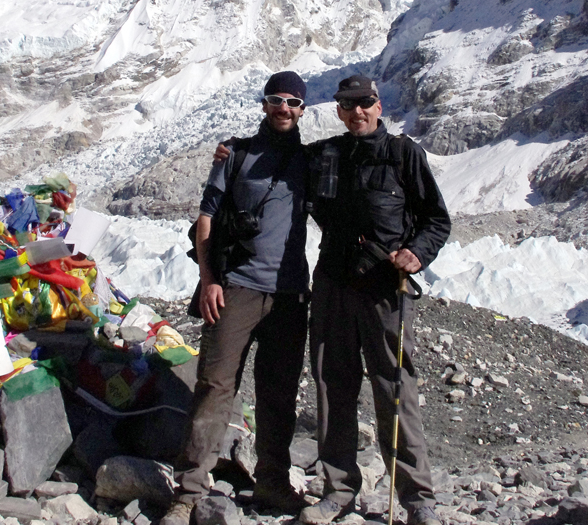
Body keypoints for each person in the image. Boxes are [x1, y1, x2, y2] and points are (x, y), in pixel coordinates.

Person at [160, 71, 312, 525]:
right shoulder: (235, 153)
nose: (283, 108)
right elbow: (205, 218)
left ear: (303, 109)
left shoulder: (313, 160)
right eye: (275, 99)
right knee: (215, 386)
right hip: (237, 288)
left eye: (292, 101)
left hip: (288, 294)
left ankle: (272, 481)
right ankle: (188, 489)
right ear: (264, 104)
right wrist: (209, 279)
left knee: (279, 391)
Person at [300, 74, 451, 525]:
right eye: (347, 105)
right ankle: (339, 490)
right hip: (332, 283)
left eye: (364, 102)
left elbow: (436, 221)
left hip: (385, 288)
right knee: (332, 384)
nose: (356, 112)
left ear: (378, 105)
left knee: (394, 387)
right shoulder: (326, 154)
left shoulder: (404, 154)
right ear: (340, 112)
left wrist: (416, 254)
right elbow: (280, 155)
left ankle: (417, 498)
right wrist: (233, 151)